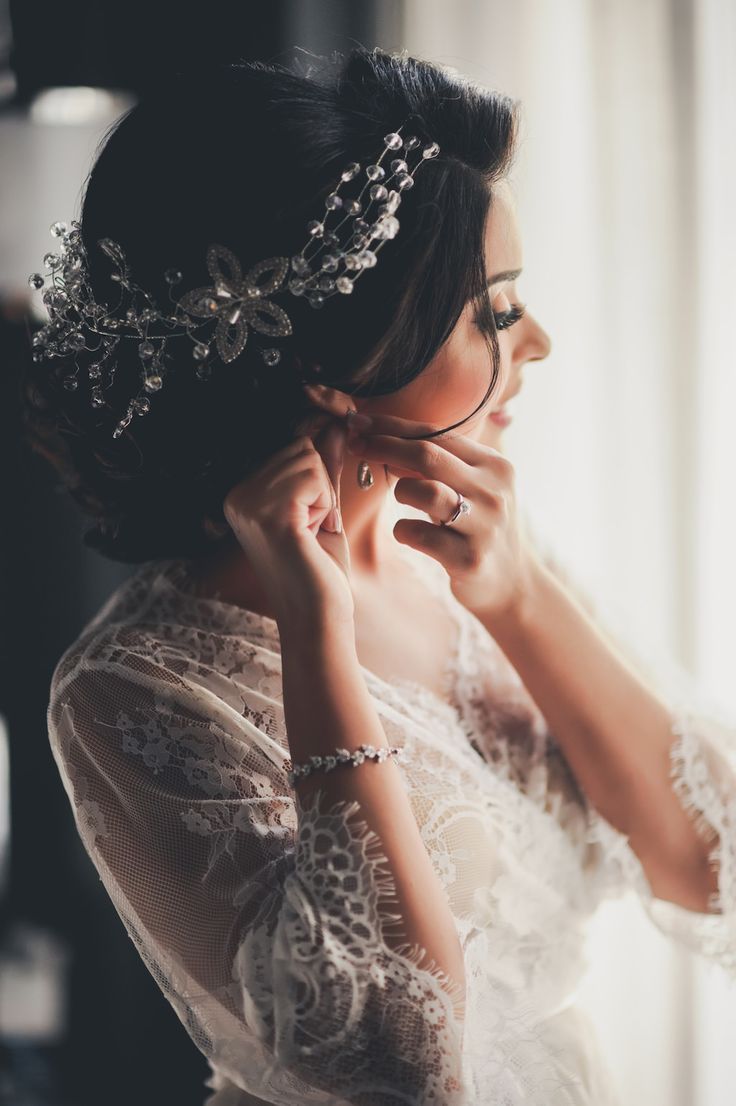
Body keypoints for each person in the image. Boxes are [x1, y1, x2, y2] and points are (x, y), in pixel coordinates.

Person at [23, 46, 736, 1106]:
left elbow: (709, 865)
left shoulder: (489, 558)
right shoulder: (136, 688)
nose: (537, 342)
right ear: (335, 364)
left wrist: (524, 601)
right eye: (491, 312)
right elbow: (395, 1057)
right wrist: (318, 638)